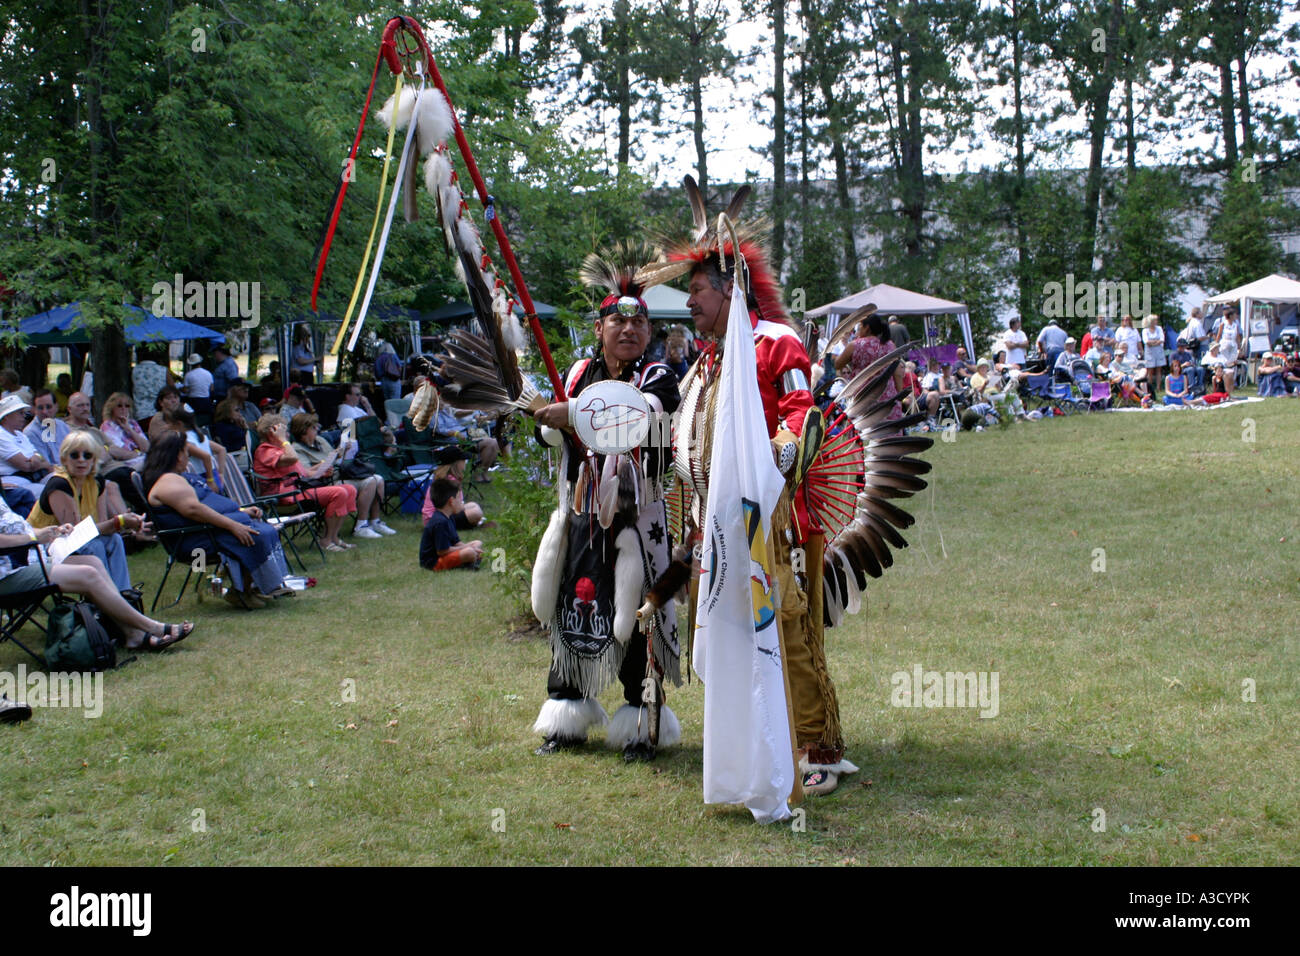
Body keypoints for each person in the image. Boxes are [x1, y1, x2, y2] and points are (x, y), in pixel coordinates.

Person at [659, 218, 853, 795]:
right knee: (729, 625)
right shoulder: (709, 359)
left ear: (728, 289)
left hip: (770, 518)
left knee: (785, 624)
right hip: (716, 524)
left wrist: (771, 466)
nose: (689, 301)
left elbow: (801, 411)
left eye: (696, 290)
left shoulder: (774, 342)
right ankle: (752, 734)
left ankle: (818, 745)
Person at [527, 248, 683, 761]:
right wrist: (547, 421)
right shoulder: (574, 373)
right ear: (600, 329)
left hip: (636, 523)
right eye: (617, 320)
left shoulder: (657, 376)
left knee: (637, 621)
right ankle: (566, 709)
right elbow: (551, 435)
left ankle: (642, 722)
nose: (629, 330)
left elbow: (635, 416)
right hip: (580, 518)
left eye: (639, 323)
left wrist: (568, 412)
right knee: (574, 606)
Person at [0, 492, 192, 649]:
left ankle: (133, 634)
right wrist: (32, 539)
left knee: (93, 562)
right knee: (88, 575)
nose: (83, 460)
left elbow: (15, 529)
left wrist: (48, 531)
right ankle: (152, 627)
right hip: (6, 576)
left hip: (26, 560)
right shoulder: (59, 485)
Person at [144, 433, 293, 609]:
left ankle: (256, 586)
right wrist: (233, 525)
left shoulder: (180, 478)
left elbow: (209, 504)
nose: (188, 456)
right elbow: (193, 510)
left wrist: (241, 511)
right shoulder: (168, 481)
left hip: (210, 531)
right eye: (186, 452)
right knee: (256, 535)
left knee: (265, 530)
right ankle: (240, 592)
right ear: (177, 455)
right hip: (195, 543)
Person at [27, 431, 147, 591]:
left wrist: (128, 524)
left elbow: (102, 527)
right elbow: (75, 534)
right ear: (64, 459)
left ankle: (123, 593)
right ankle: (107, 597)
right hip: (43, 547)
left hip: (76, 541)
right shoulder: (59, 485)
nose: (81, 460)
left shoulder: (97, 482)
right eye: (74, 455)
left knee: (114, 539)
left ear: (94, 459)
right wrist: (120, 521)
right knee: (94, 546)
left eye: (87, 455)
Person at [252, 413, 359, 552]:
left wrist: (323, 468)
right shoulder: (265, 450)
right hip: (285, 495)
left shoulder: (281, 448)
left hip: (299, 489)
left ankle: (334, 537)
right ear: (273, 431)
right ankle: (325, 540)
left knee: (349, 489)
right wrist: (283, 439)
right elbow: (292, 458)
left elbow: (304, 473)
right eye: (283, 429)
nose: (287, 432)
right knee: (338, 492)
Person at [290, 413, 395, 538]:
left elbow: (335, 459)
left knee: (379, 479)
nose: (317, 429)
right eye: (313, 427)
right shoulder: (297, 449)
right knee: (371, 481)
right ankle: (361, 525)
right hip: (324, 483)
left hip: (340, 475)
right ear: (303, 430)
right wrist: (324, 466)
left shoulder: (320, 441)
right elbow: (305, 472)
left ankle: (375, 521)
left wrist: (343, 451)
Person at [834, 311, 904, 418]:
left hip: (863, 396)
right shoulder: (890, 345)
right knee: (887, 432)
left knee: (864, 431)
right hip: (887, 395)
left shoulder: (855, 345)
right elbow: (898, 372)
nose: (858, 329)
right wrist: (899, 394)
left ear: (867, 328)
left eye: (860, 326)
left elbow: (837, 364)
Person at [419, 478, 482, 570]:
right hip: (433, 562)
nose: (461, 502)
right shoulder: (440, 522)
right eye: (459, 499)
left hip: (445, 554)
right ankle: (466, 562)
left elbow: (456, 542)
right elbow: (442, 551)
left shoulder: (449, 517)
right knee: (469, 552)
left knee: (477, 543)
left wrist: (470, 546)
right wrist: (467, 548)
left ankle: (468, 559)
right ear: (451, 501)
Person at [0, 394, 52, 499]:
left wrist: (35, 459)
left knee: (65, 480)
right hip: (15, 481)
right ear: (7, 416)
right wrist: (38, 461)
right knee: (50, 492)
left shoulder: (20, 435)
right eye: (20, 413)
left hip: (34, 477)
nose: (24, 416)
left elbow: (42, 458)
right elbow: (25, 466)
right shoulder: (1, 435)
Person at [421, 447, 485, 530]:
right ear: (456, 463)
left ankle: (473, 521)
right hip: (437, 521)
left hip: (434, 517)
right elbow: (456, 509)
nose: (465, 462)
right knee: (476, 512)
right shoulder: (450, 482)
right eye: (463, 460)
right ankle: (473, 522)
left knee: (473, 505)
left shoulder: (445, 478)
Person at [24, 389, 72, 464]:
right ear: (34, 409)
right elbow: (45, 465)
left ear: (56, 406)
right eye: (40, 408)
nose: (45, 411)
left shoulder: (62, 425)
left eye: (49, 407)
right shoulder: (31, 433)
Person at [131, 350, 170, 417]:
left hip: (139, 411)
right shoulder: (163, 370)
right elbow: (172, 388)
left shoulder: (134, 370)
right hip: (158, 410)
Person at [1215, 307, 1241, 395]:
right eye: (1234, 314)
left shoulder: (1235, 325)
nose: (1236, 316)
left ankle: (1231, 386)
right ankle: (1223, 386)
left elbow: (1237, 337)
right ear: (1230, 315)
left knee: (1232, 366)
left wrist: (1239, 348)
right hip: (1224, 346)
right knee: (1225, 366)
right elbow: (1218, 336)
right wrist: (1216, 346)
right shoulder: (1223, 324)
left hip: (1233, 346)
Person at [1142, 314, 1166, 393]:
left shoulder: (1159, 329)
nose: (1156, 322)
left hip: (1159, 351)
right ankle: (1150, 387)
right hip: (1149, 352)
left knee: (1159, 369)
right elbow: (1146, 341)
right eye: (1155, 320)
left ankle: (1158, 387)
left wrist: (1153, 343)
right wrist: (1156, 342)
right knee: (1150, 371)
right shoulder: (1145, 330)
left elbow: (1162, 339)